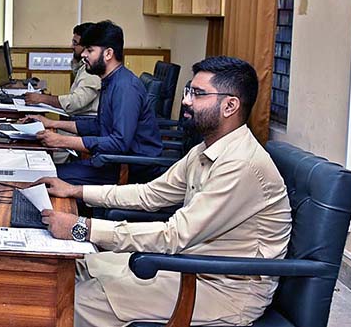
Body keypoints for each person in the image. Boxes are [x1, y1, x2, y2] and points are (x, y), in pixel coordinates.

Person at [36, 56, 292, 327]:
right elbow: (150, 194)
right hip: (191, 267)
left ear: (230, 105)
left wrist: (82, 228)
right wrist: (77, 191)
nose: (186, 101)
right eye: (188, 91)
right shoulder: (206, 149)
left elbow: (174, 235)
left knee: (68, 300)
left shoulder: (241, 165)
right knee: (80, 265)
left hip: (223, 290)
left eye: (198, 94)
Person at [27, 21, 162, 185]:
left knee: (45, 178)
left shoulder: (125, 87)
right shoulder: (111, 81)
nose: (84, 55)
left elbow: (119, 143)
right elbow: (99, 125)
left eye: (90, 50)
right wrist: (52, 123)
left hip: (128, 169)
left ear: (108, 54)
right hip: (110, 162)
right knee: (47, 171)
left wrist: (61, 140)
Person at [25, 22, 100, 115]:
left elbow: (76, 102)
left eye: (75, 43)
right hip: (80, 119)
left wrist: (42, 99)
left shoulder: (92, 70)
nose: (71, 46)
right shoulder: (83, 66)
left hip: (85, 121)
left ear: (87, 47)